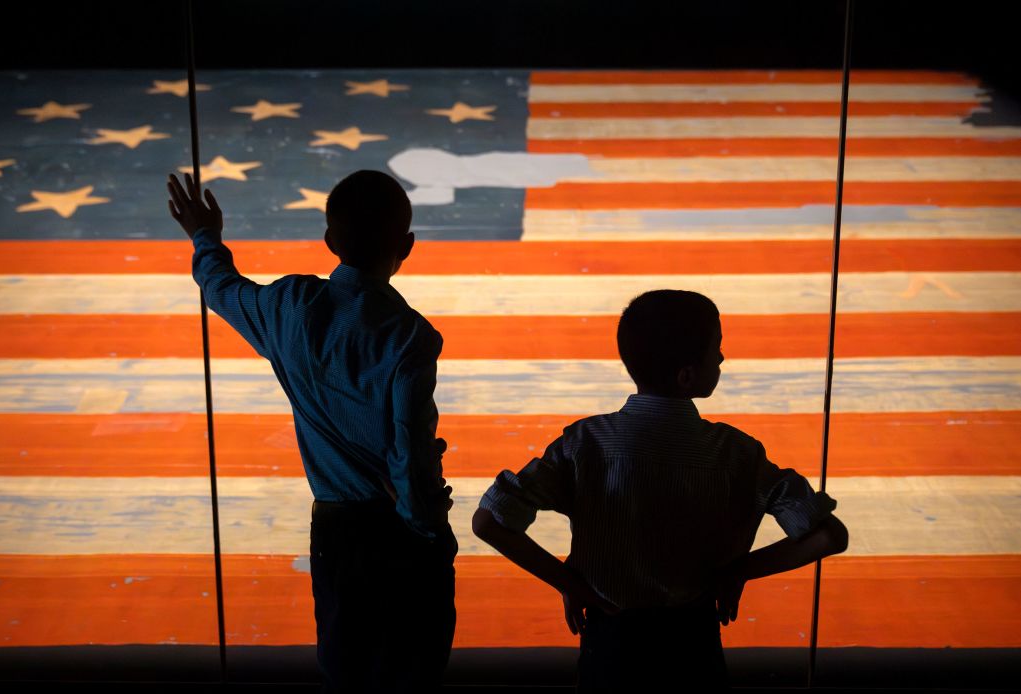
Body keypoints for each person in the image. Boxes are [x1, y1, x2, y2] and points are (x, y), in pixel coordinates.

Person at [167, 170, 457, 692]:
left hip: (337, 530)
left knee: (348, 671)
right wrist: (429, 529)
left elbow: (221, 288)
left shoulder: (289, 306)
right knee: (414, 677)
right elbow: (409, 450)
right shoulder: (411, 337)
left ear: (330, 242)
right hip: (400, 533)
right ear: (407, 246)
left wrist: (204, 235)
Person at [472, 289, 849, 690]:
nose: (721, 359)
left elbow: (489, 523)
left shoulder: (585, 443)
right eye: (716, 349)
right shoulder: (737, 453)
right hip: (693, 641)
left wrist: (571, 581)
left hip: (610, 638)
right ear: (686, 374)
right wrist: (735, 572)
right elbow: (828, 535)